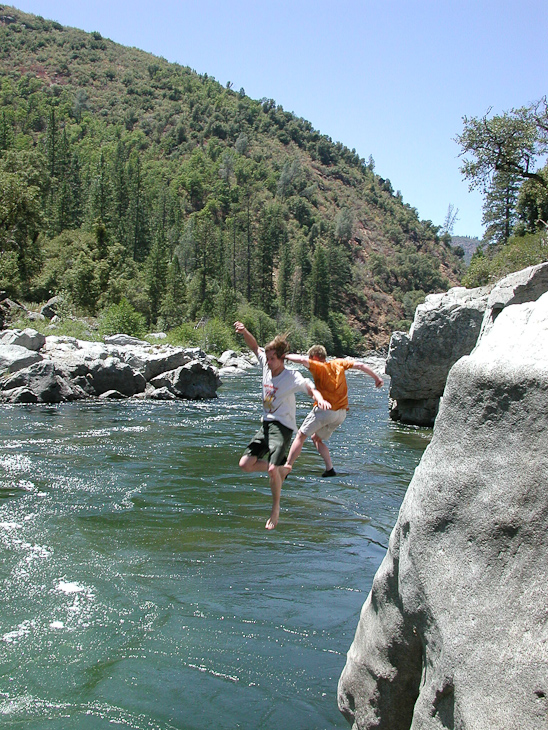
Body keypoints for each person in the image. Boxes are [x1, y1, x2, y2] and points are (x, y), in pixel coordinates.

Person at [234, 322, 331, 530]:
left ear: (281, 359)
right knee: (245, 464)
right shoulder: (266, 366)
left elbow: (310, 387)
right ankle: (283, 469)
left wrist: (320, 398)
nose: (268, 362)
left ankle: (275, 508)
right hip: (267, 425)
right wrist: (244, 331)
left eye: (272, 359)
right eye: (267, 359)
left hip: (283, 427)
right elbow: (254, 347)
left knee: (271, 469)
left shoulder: (291, 377)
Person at [280, 345, 384, 479]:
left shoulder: (318, 367)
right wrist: (377, 378)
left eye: (310, 358)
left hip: (326, 411)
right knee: (316, 438)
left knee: (301, 435)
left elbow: (301, 360)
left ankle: (287, 468)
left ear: (315, 358)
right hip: (341, 414)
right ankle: (330, 469)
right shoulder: (338, 362)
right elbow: (360, 365)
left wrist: (284, 356)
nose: (309, 360)